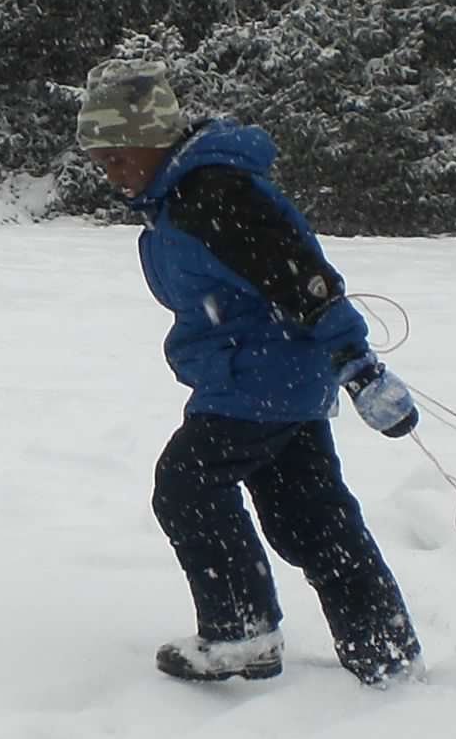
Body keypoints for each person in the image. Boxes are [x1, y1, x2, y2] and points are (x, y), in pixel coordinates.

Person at [78, 61, 423, 687]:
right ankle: (384, 649)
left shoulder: (213, 195)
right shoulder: (177, 198)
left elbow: (303, 277)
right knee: (308, 516)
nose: (113, 175)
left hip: (259, 379)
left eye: (119, 158)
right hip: (272, 378)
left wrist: (358, 366)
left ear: (154, 140)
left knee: (186, 484)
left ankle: (242, 632)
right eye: (102, 163)